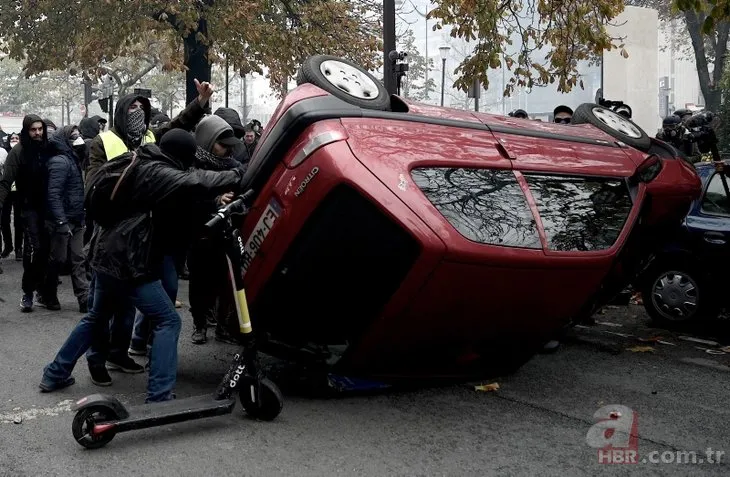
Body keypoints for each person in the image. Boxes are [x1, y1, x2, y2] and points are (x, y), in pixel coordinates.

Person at [40, 130, 244, 402]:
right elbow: (195, 180)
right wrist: (242, 174)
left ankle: (54, 373)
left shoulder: (143, 156)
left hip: (107, 251)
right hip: (128, 259)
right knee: (168, 320)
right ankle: (159, 395)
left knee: (96, 316)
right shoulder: (157, 171)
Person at [89, 80, 214, 365]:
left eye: (142, 108)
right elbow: (93, 190)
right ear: (120, 112)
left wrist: (200, 103)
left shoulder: (149, 139)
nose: (137, 113)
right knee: (102, 309)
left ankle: (121, 353)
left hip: (143, 236)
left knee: (130, 305)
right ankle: (93, 361)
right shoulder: (103, 143)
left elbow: (177, 127)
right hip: (111, 236)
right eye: (132, 107)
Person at [187, 115, 243, 345]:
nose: (227, 152)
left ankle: (222, 326)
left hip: (225, 235)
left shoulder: (235, 168)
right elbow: (188, 200)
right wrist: (215, 201)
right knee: (199, 282)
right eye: (222, 145)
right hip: (199, 235)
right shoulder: (191, 167)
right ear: (208, 141)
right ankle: (199, 324)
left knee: (226, 282)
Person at [0, 116, 52, 312]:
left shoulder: (49, 148)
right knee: (34, 250)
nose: (38, 133)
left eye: (40, 129)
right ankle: (28, 292)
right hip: (28, 208)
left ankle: (44, 291)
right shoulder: (18, 152)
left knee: (48, 252)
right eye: (33, 130)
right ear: (26, 131)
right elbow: (6, 182)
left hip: (49, 209)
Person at [45, 126, 90, 312]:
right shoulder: (60, 162)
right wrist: (61, 221)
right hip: (62, 220)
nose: (78, 139)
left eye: (79, 135)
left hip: (76, 218)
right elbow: (53, 194)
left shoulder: (72, 159)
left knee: (78, 258)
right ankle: (48, 293)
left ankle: (84, 298)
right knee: (59, 259)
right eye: (73, 136)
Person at [1, 133, 23, 261]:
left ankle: (19, 247)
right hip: (6, 190)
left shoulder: (21, 153)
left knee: (19, 220)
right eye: (12, 138)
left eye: (16, 138)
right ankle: (8, 245)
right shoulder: (4, 153)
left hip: (18, 190)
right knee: (4, 219)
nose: (14, 140)